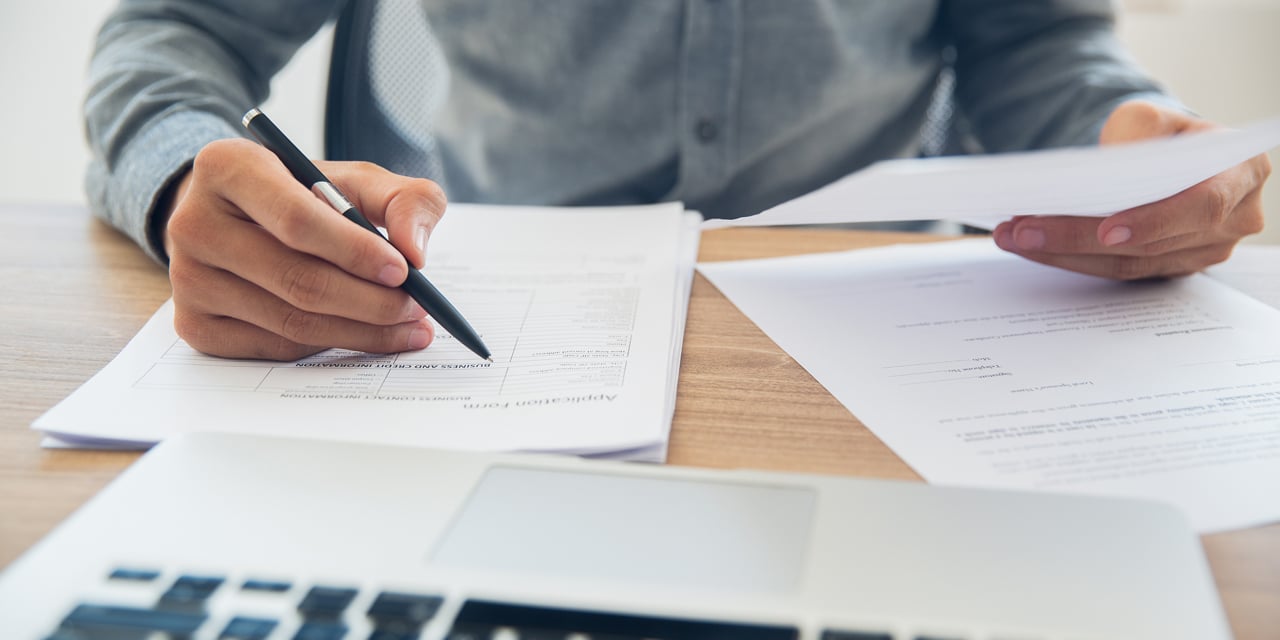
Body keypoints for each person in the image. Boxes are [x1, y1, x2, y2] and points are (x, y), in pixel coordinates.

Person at [84, 0, 1271, 361]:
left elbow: (1028, 40)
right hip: (489, 327)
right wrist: (186, 176)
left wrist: (1124, 141)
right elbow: (171, 35)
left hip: (880, 334)